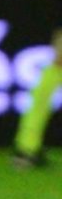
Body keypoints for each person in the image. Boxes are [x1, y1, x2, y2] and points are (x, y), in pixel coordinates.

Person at [13, 28, 62, 168]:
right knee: (38, 108)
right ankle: (26, 151)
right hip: (56, 69)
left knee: (38, 108)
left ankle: (26, 150)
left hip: (56, 69)